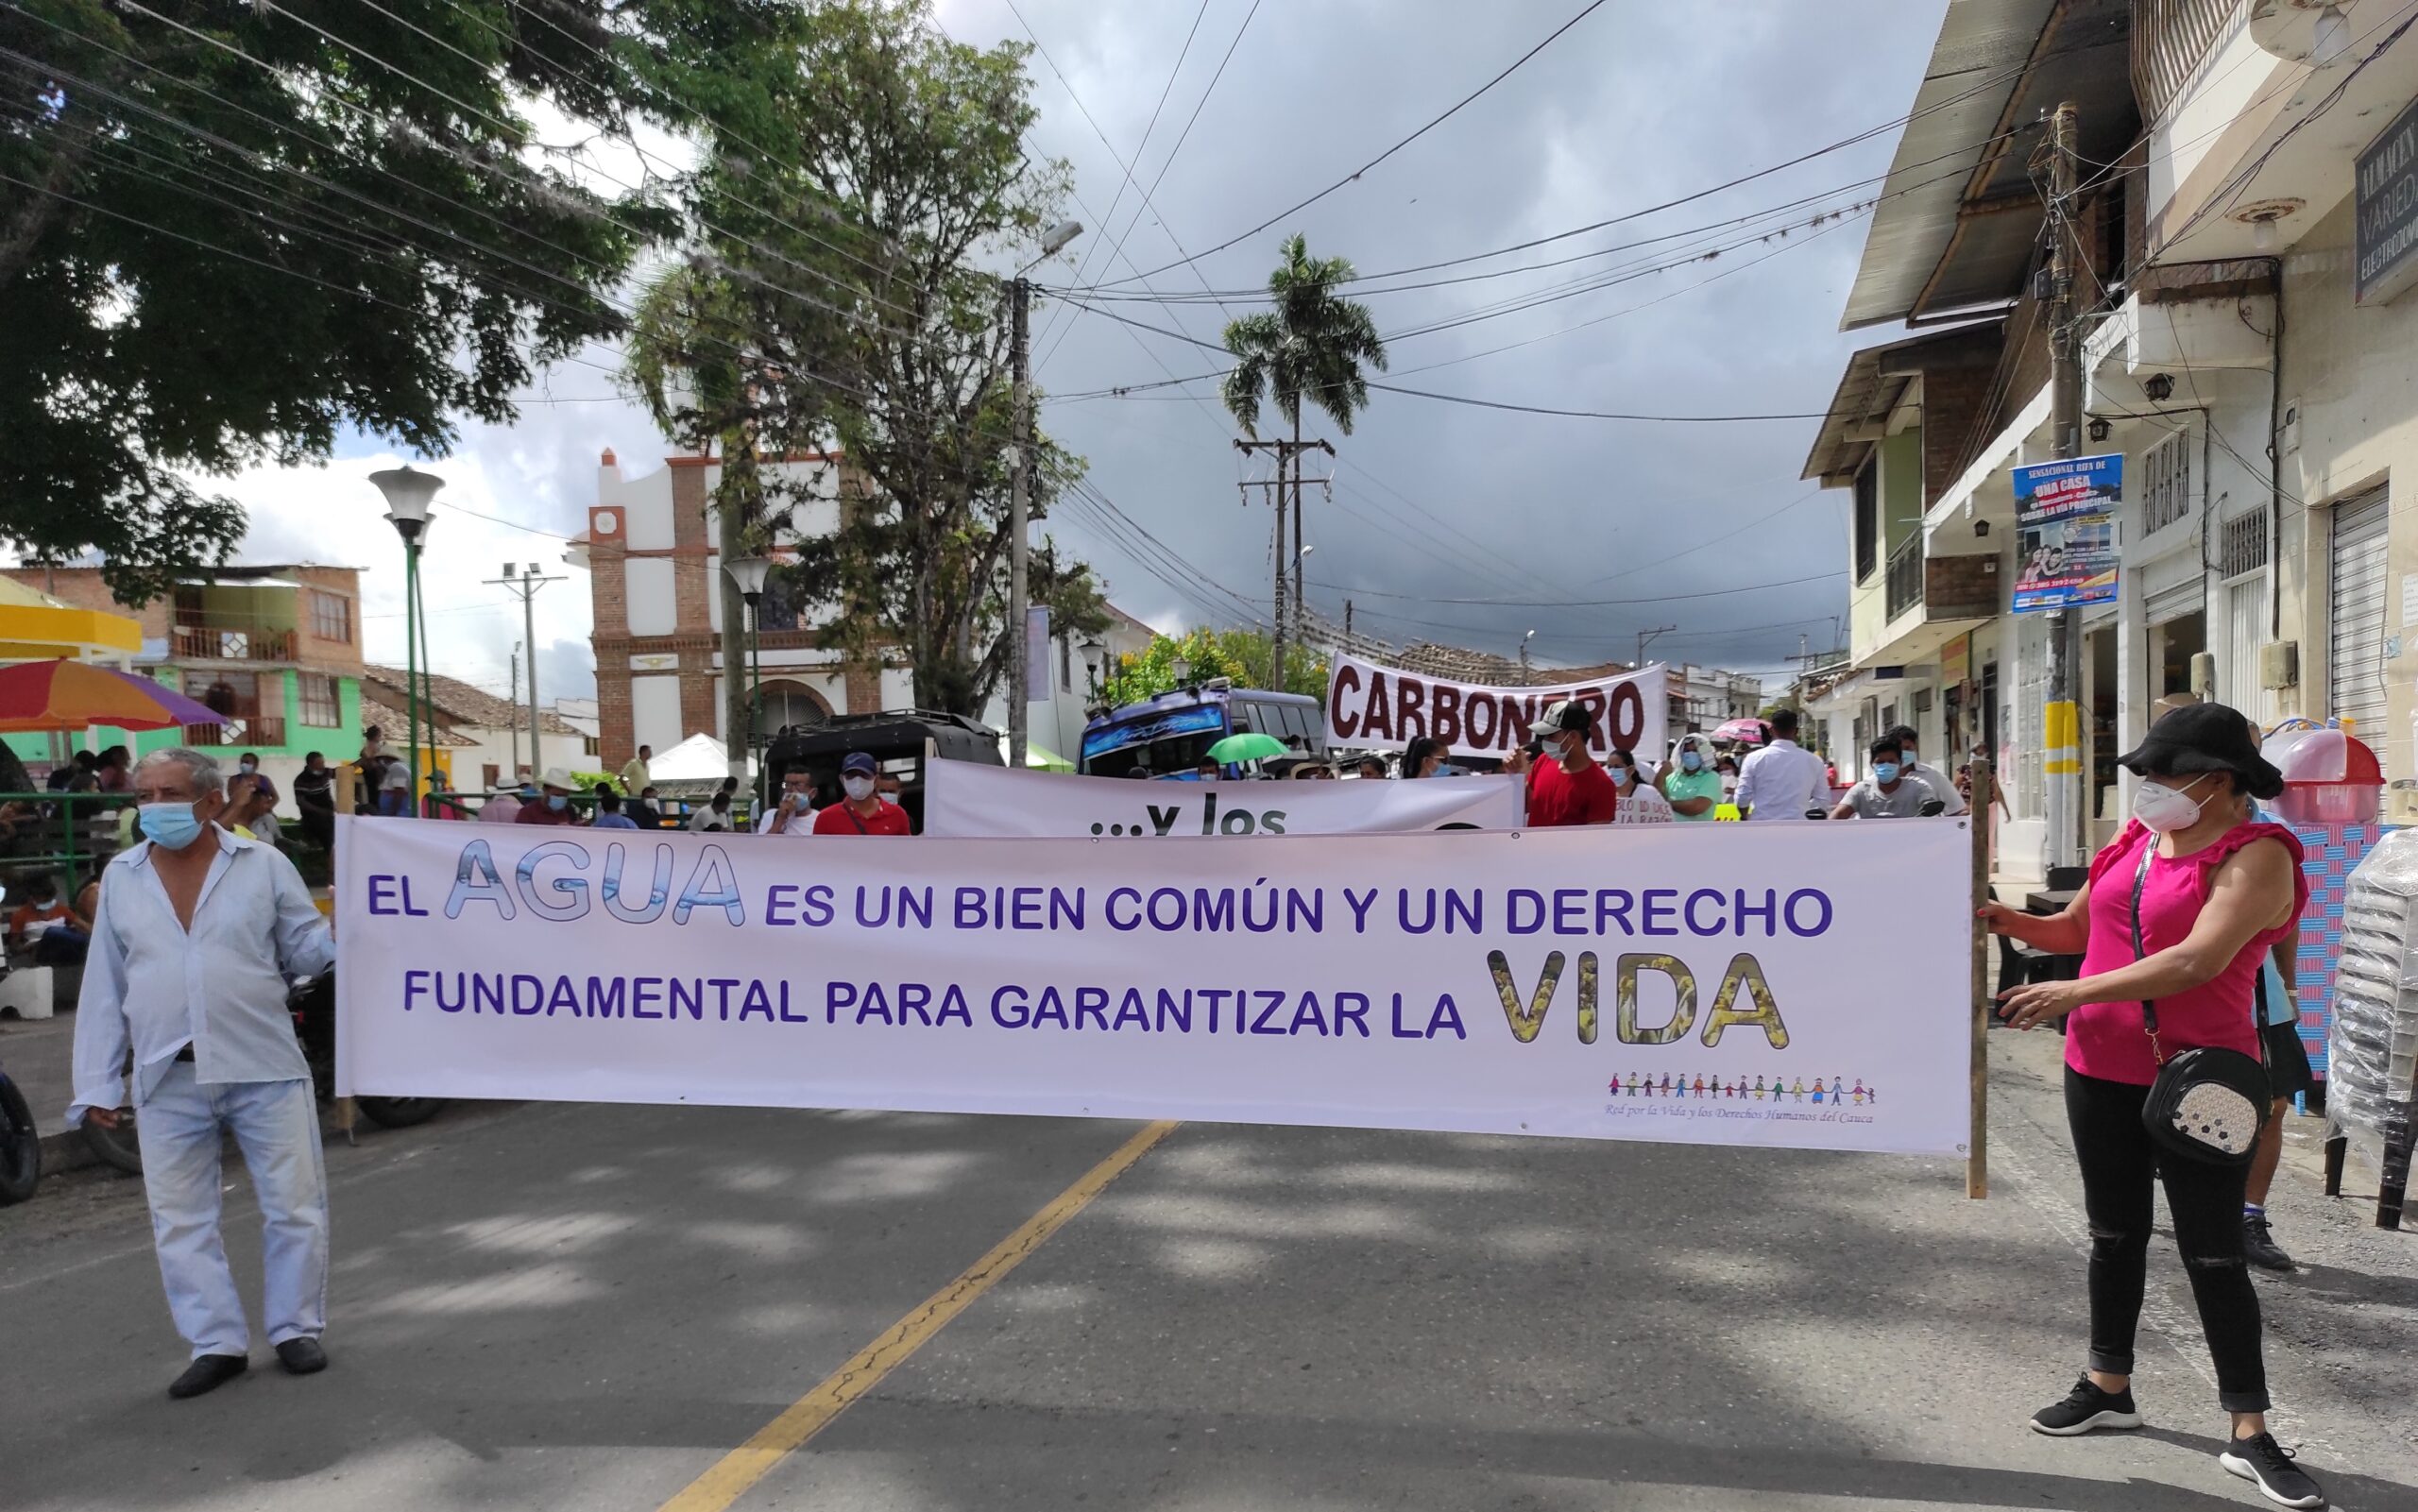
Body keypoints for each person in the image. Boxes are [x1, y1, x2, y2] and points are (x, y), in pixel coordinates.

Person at [1984, 705, 2324, 1509]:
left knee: (2212, 1251)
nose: (2151, 787)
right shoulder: (2138, 842)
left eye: (2167, 773)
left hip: (2201, 1079)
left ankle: (2248, 1426)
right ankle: (2109, 1383)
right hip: (2098, 1064)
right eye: (2147, 772)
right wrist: (2009, 922)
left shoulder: (2260, 855)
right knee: (2113, 1232)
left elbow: (2194, 960)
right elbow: (2077, 923)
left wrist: (2070, 989)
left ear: (2222, 779)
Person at [67, 747, 337, 1400]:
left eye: (168, 793)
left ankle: (296, 1328)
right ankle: (215, 1342)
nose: (152, 806)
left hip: (262, 1061)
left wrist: (368, 920)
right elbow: (105, 984)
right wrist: (97, 1083)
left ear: (211, 800)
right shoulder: (123, 877)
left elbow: (307, 945)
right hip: (167, 1072)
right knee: (180, 1217)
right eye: (144, 793)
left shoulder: (264, 865)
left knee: (293, 1205)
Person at [1524, 701, 1618, 827]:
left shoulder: (1601, 785)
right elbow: (1524, 806)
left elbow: (1596, 840)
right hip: (1530, 846)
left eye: (1551, 735)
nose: (1545, 741)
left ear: (1573, 736)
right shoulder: (1543, 761)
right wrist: (1515, 773)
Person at [1734, 709, 1828, 821]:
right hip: (1800, 826)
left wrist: (1745, 817)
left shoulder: (1753, 759)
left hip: (1762, 825)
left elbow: (1742, 797)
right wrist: (1802, 811)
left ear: (1771, 730)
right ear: (1796, 731)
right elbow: (1822, 800)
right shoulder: (1814, 761)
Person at [1831, 737, 1935, 819]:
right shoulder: (1861, 790)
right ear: (1872, 764)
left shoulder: (1918, 788)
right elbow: (1838, 816)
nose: (1886, 766)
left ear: (1900, 763)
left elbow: (1929, 805)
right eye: (1880, 762)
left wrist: (1929, 805)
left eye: (1891, 761)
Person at [814, 752, 912, 835]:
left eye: (864, 775)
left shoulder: (897, 815)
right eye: (851, 775)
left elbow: (905, 853)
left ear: (876, 780)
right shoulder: (826, 818)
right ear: (842, 780)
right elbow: (817, 855)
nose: (858, 780)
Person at [8, 873, 90, 967]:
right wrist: (30, 946)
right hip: (41, 952)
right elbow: (14, 948)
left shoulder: (61, 909)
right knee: (51, 932)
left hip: (65, 948)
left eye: (49, 900)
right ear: (32, 898)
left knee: (62, 934)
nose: (48, 904)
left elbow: (84, 926)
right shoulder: (20, 915)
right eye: (43, 901)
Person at [1886, 724, 1967, 816]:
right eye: (1898, 749)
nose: (1902, 753)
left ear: (1915, 747)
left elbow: (1957, 809)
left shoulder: (1933, 775)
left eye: (1907, 748)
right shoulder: (1876, 781)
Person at [1660, 735, 1722, 822]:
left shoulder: (1711, 777)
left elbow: (1696, 807)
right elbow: (1656, 799)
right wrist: (1661, 775)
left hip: (1697, 833)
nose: (1690, 754)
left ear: (1703, 753)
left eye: (1695, 751)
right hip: (1671, 832)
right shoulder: (1672, 777)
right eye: (1687, 751)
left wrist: (1666, 805)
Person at [1608, 747, 1672, 824]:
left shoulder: (1649, 792)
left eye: (1617, 767)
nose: (1612, 771)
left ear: (1631, 769)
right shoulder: (1605, 795)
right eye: (1610, 767)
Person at [757, 766, 820, 837]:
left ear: (813, 793)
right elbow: (762, 845)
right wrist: (780, 818)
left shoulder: (820, 820)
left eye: (798, 785)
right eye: (787, 785)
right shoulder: (770, 815)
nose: (792, 790)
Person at [291, 753, 335, 849]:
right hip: (313, 817)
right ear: (310, 764)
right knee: (327, 831)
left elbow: (344, 771)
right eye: (319, 763)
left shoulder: (326, 772)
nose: (322, 766)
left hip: (329, 813)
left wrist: (362, 760)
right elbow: (301, 802)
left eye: (323, 763)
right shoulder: (301, 780)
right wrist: (321, 811)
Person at [225, 773, 281, 847]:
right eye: (264, 803)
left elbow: (280, 841)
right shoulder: (231, 825)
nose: (267, 807)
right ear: (252, 803)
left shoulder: (267, 819)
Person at [515, 768, 582, 825]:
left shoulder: (569, 812)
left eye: (565, 796)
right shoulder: (528, 813)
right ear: (545, 790)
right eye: (557, 795)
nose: (561, 798)